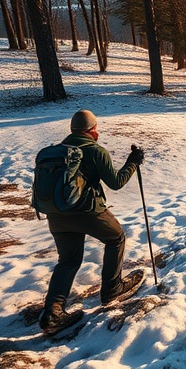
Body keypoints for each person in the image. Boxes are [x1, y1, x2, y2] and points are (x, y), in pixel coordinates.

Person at [40, 109, 145, 335]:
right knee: (116, 238)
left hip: (57, 216)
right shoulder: (96, 151)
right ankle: (112, 288)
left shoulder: (54, 152)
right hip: (88, 212)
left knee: (68, 260)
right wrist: (133, 162)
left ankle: (53, 313)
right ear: (92, 130)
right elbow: (116, 182)